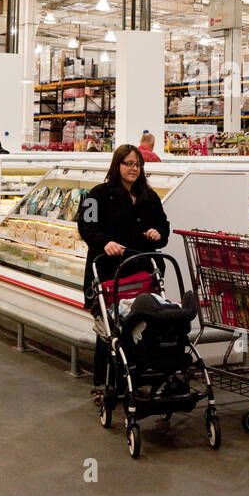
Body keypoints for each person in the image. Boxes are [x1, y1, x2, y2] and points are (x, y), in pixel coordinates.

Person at [77, 144, 170, 401]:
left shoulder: (149, 197)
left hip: (143, 273)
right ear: (117, 165)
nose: (133, 169)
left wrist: (158, 233)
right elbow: (85, 224)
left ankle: (137, 377)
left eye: (138, 165)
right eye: (128, 163)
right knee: (109, 328)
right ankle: (102, 383)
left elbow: (163, 224)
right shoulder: (98, 195)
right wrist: (104, 242)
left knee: (142, 325)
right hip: (109, 272)